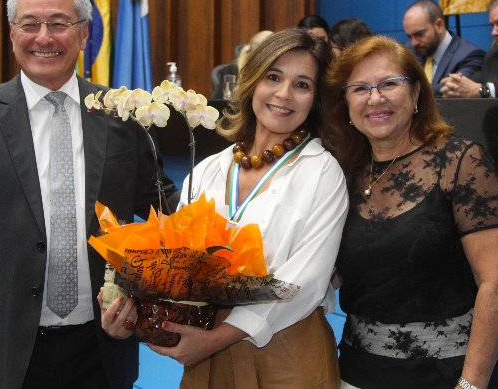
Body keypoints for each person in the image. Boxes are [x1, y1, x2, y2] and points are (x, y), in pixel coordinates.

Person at [0, 0, 178, 389]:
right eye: (30, 24)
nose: (44, 37)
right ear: (12, 34)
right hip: (1, 341)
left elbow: (162, 210)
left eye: (59, 24)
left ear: (83, 35)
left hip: (101, 344)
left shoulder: (121, 113)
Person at [143, 28, 349, 388]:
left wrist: (214, 340)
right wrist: (131, 306)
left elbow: (306, 280)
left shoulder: (322, 172)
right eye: (273, 77)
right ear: (252, 81)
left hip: (287, 352)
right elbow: (172, 261)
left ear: (316, 99)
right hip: (204, 352)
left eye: (302, 84)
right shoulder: (210, 169)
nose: (284, 94)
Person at [323, 35, 498, 389]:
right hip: (355, 371)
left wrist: (470, 384)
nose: (375, 97)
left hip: (447, 375)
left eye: (389, 84)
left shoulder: (460, 162)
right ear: (346, 105)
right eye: (360, 88)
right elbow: (329, 274)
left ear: (416, 95)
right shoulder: (341, 173)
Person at [402, 0, 484, 95]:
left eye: (419, 34)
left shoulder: (470, 55)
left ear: (439, 25)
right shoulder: (408, 51)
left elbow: (453, 89)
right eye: (409, 36)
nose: (414, 42)